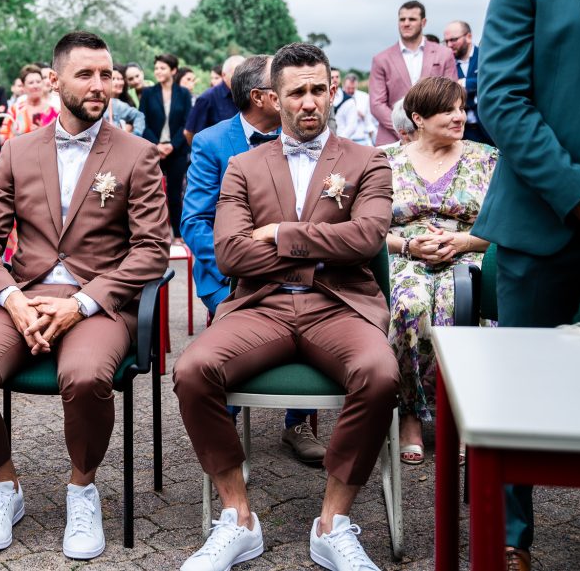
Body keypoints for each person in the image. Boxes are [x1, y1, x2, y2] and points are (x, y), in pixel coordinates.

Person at [0, 31, 169, 561]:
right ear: (54, 80)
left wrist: (82, 303)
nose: (99, 85)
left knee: (86, 377)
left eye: (106, 75)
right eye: (85, 74)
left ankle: (82, 489)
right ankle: (3, 486)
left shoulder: (137, 155)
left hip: (99, 300)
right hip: (24, 293)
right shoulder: (18, 151)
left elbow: (152, 250)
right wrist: (10, 298)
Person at [175, 43, 398, 571]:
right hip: (262, 306)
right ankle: (238, 518)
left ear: (333, 90)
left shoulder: (368, 160)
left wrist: (279, 234)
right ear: (274, 98)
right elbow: (230, 252)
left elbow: (367, 239)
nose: (309, 102)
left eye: (318, 89)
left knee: (381, 374)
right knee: (192, 370)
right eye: (297, 92)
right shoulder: (242, 166)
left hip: (339, 305)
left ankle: (333, 524)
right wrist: (322, 248)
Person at [471, 0, 580, 571]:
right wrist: (576, 192)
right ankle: (510, 537)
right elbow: (502, 99)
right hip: (543, 216)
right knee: (519, 388)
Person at [180, 55, 326, 465]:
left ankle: (298, 421)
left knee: (309, 309)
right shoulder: (212, 142)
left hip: (298, 267)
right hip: (228, 276)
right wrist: (239, 265)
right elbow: (194, 222)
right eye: (283, 86)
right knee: (231, 338)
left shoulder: (303, 138)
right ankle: (224, 429)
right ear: (262, 97)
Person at [383, 77, 495, 465]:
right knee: (409, 305)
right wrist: (407, 246)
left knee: (458, 304)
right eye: (448, 110)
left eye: (461, 108)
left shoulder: (487, 159)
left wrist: (463, 242)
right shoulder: (385, 160)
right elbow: (367, 230)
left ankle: (463, 415)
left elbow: (504, 225)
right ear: (418, 118)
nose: (459, 117)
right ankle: (409, 414)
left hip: (468, 253)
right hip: (405, 256)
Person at [369, 0, 459, 145]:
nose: (406, 23)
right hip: (393, 138)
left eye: (412, 19)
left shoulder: (444, 54)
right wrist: (406, 129)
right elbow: (376, 104)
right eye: (402, 19)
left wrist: (428, 129)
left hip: (436, 139)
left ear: (423, 22)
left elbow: (452, 97)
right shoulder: (381, 59)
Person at [140, 53, 193, 239]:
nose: (158, 71)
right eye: (156, 68)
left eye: (162, 68)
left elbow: (187, 122)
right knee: (152, 194)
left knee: (175, 194)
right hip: (154, 150)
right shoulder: (148, 93)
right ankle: (154, 235)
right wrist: (157, 145)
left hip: (177, 150)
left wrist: (172, 145)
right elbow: (143, 122)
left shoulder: (183, 94)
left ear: (173, 70)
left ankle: (178, 235)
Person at [442, 20, 491, 146]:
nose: (449, 45)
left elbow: (491, 80)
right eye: (446, 41)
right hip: (461, 131)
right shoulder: (446, 63)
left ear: (468, 37)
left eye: (453, 40)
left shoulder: (485, 56)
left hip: (488, 127)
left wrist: (463, 83)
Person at [184, 55, 245, 144]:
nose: (242, 78)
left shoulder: (249, 95)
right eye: (237, 74)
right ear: (224, 75)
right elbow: (190, 132)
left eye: (245, 74)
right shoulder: (208, 98)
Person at [0, 65, 58, 143]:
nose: (35, 86)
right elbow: (2, 137)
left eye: (38, 82)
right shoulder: (15, 110)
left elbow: (61, 140)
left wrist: (43, 134)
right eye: (31, 83)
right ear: (23, 86)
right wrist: (18, 136)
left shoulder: (55, 112)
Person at [335, 73, 377, 146]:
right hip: (343, 138)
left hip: (362, 138)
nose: (351, 91)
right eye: (348, 88)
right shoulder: (336, 97)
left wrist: (363, 116)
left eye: (353, 88)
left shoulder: (365, 97)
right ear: (343, 85)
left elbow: (370, 120)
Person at [105, 64, 145, 136]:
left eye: (121, 79)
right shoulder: (102, 103)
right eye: (113, 79)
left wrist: (134, 133)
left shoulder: (127, 103)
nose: (119, 82)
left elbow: (139, 117)